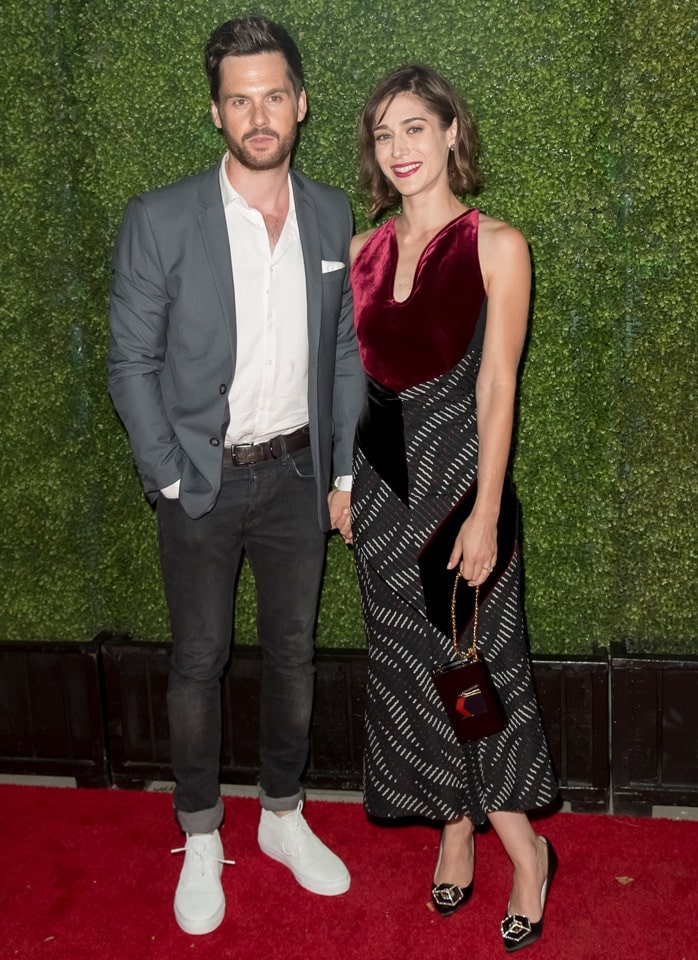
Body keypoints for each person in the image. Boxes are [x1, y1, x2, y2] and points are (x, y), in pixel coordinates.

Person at [107, 15, 364, 936]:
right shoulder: (161, 217)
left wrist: (340, 470)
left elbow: (343, 350)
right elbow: (129, 363)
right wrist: (170, 477)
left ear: (301, 103)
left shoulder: (334, 212)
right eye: (239, 98)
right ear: (216, 111)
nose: (260, 114)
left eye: (274, 96)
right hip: (203, 484)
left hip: (300, 477)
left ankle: (284, 817)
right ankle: (204, 831)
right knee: (198, 662)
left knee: (293, 654)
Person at [349, 65, 559, 953]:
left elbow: (499, 389)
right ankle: (452, 827)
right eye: (384, 135)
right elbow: (350, 385)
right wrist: (345, 488)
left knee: (477, 677)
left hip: (461, 497)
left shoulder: (496, 244)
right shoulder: (363, 250)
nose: (399, 149)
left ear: (449, 134)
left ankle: (526, 850)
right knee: (409, 673)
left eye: (415, 130)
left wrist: (482, 512)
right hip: (382, 501)